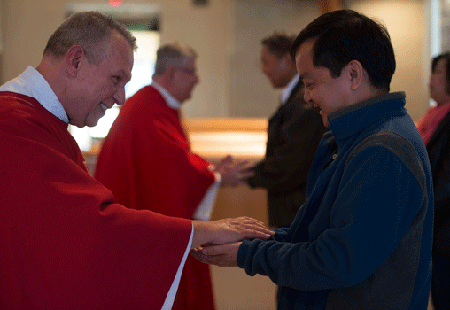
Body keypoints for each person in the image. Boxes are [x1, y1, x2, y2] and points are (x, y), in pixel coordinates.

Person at [0, 12, 274, 309]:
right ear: (75, 60)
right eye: (116, 79)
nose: (120, 98)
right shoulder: (13, 124)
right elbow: (93, 225)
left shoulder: (42, 121)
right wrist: (203, 230)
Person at [193, 9, 434, 310]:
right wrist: (252, 239)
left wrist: (248, 254)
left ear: (353, 75)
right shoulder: (360, 137)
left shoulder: (383, 151)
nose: (306, 97)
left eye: (310, 83)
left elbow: (336, 260)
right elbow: (314, 235)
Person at [94, 43, 253, 310]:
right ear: (171, 73)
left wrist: (211, 174)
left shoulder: (155, 104)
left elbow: (173, 162)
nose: (197, 79)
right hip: (143, 236)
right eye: (190, 72)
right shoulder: (146, 111)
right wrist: (214, 178)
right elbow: (172, 173)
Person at [244, 32, 326, 229]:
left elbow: (289, 164)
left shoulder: (303, 102)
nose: (264, 70)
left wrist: (246, 174)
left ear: (288, 60)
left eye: (267, 62)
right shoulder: (295, 97)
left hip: (297, 208)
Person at [417, 52, 450, 310]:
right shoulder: (433, 118)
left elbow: (445, 186)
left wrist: (418, 216)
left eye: (437, 71)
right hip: (437, 233)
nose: (431, 79)